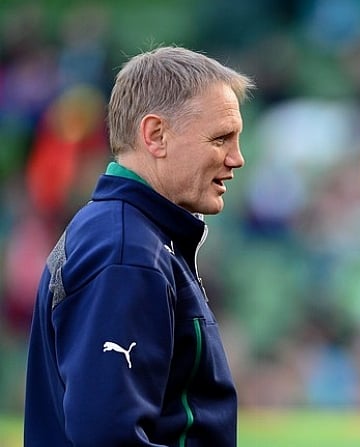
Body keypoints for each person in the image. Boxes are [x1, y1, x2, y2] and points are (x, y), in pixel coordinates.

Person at [24, 46, 254, 446]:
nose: (237, 158)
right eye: (221, 139)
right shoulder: (126, 252)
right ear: (156, 135)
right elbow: (110, 438)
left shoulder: (129, 235)